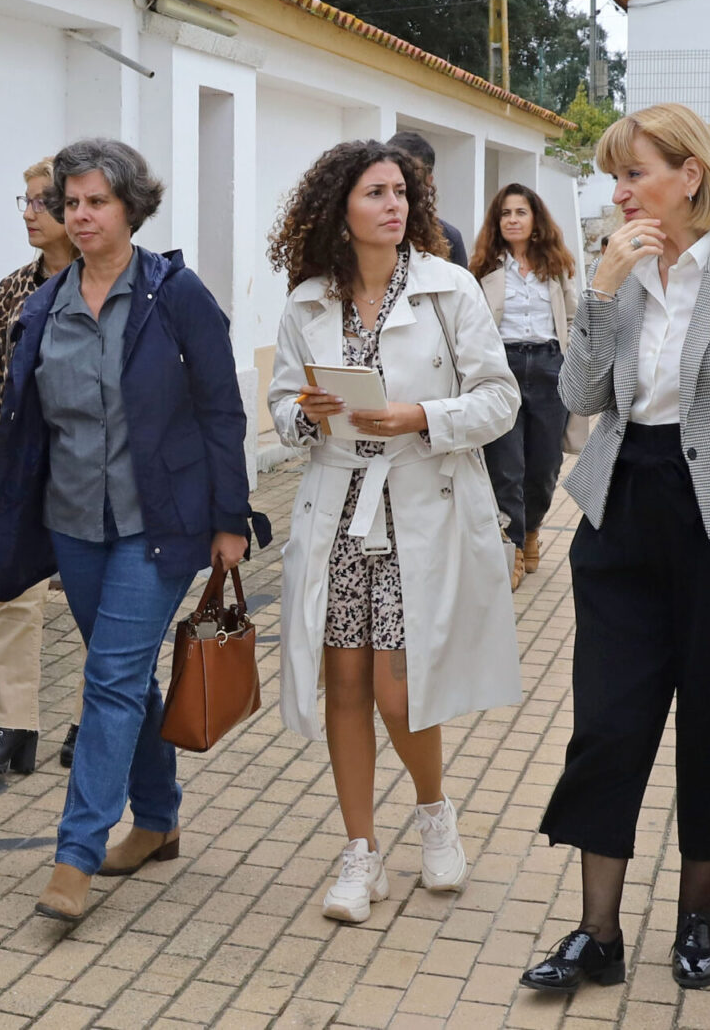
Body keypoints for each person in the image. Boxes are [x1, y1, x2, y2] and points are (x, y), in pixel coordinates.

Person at [522, 103, 710, 994]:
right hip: (623, 518)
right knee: (608, 726)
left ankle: (697, 915)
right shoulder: (615, 271)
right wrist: (601, 294)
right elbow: (582, 395)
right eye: (614, 176)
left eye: (634, 174)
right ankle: (598, 932)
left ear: (688, 176)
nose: (617, 192)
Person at [0, 138, 267, 927]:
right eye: (70, 201)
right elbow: (20, 420)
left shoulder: (175, 295)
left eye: (96, 201)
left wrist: (230, 519)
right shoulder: (42, 304)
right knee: (127, 679)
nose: (80, 213)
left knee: (106, 680)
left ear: (131, 207)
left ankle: (75, 855)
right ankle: (160, 816)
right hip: (74, 523)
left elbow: (220, 410)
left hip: (161, 524)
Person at [267, 141, 521, 924]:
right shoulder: (308, 299)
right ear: (340, 208)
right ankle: (359, 852)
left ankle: (434, 812)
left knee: (398, 684)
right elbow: (280, 407)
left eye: (401, 191)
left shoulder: (450, 291)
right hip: (340, 509)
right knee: (343, 682)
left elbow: (499, 398)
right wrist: (304, 417)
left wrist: (423, 416)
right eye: (375, 191)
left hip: (422, 503)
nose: (395, 203)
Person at [0, 157, 78, 776]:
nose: (30, 213)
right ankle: (13, 725)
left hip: (87, 465)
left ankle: (93, 722)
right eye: (26, 201)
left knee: (94, 598)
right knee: (14, 594)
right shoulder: (14, 286)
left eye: (42, 202)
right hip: (23, 463)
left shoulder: (102, 281)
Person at [470, 183, 579, 590]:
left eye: (520, 212)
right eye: (505, 213)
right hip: (504, 368)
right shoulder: (483, 267)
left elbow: (573, 318)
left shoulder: (558, 265)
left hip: (551, 367)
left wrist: (576, 366)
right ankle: (513, 547)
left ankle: (532, 527)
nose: (512, 219)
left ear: (536, 220)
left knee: (544, 467)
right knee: (506, 466)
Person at [386, 130, 468, 269]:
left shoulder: (449, 238)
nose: (404, 186)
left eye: (411, 177)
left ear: (429, 180)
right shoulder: (366, 229)